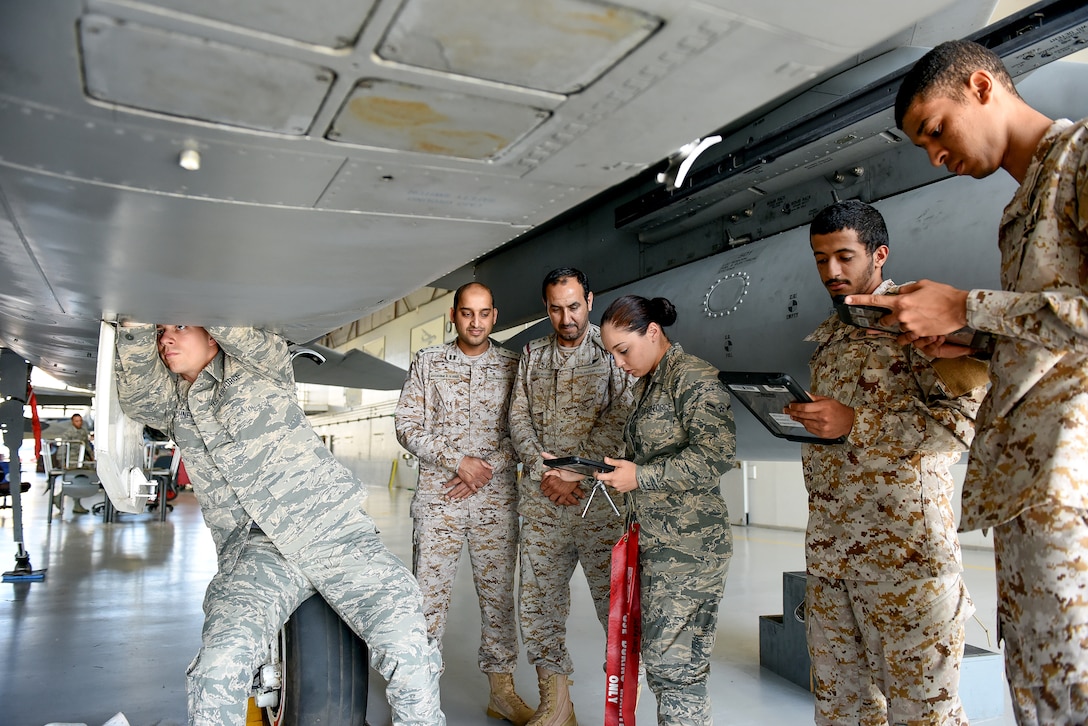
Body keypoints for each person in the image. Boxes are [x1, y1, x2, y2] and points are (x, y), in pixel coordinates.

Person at [844, 39, 1088, 724]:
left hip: (1072, 494)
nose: (935, 156)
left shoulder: (1080, 159)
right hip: (1031, 502)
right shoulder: (1022, 208)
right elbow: (1060, 336)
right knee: (1042, 701)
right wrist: (969, 337)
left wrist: (968, 305)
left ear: (981, 86)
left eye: (936, 130)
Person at [113, 322, 444, 726]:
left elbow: (233, 320)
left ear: (212, 334)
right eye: (161, 331)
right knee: (218, 668)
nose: (166, 339)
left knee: (409, 649)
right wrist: (135, 327)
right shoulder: (172, 405)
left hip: (333, 531)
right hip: (258, 551)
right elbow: (137, 396)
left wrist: (198, 296)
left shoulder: (261, 365)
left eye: (180, 327)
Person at [785, 200, 986, 725]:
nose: (831, 271)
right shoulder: (830, 337)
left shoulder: (920, 320)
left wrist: (856, 423)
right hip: (832, 562)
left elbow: (961, 427)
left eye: (844, 256)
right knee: (842, 713)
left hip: (907, 564)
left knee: (924, 716)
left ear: (879, 254)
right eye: (820, 259)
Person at [394, 282, 533, 725]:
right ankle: (420, 695)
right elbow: (406, 424)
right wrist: (457, 461)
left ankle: (502, 691)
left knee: (498, 600)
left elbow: (525, 431)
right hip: (440, 501)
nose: (476, 322)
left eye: (485, 313)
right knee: (427, 601)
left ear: (495, 316)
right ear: (453, 315)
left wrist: (482, 469)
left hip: (496, 503)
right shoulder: (428, 363)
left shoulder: (515, 366)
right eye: (468, 313)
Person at [595, 294, 734, 726]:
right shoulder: (650, 382)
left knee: (678, 671)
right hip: (654, 545)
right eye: (611, 353)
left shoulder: (693, 378)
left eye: (623, 350)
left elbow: (716, 456)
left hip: (690, 550)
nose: (619, 362)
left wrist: (641, 477)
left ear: (652, 332)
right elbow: (646, 454)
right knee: (660, 662)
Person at [508, 267, 633, 726]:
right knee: (539, 604)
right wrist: (546, 472)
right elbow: (517, 416)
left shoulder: (612, 349)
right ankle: (556, 706)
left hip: (598, 502)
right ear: (547, 307)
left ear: (590, 300)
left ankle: (622, 709)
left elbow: (622, 418)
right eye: (556, 308)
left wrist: (572, 472)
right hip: (544, 504)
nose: (566, 317)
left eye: (574, 306)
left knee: (615, 607)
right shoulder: (532, 354)